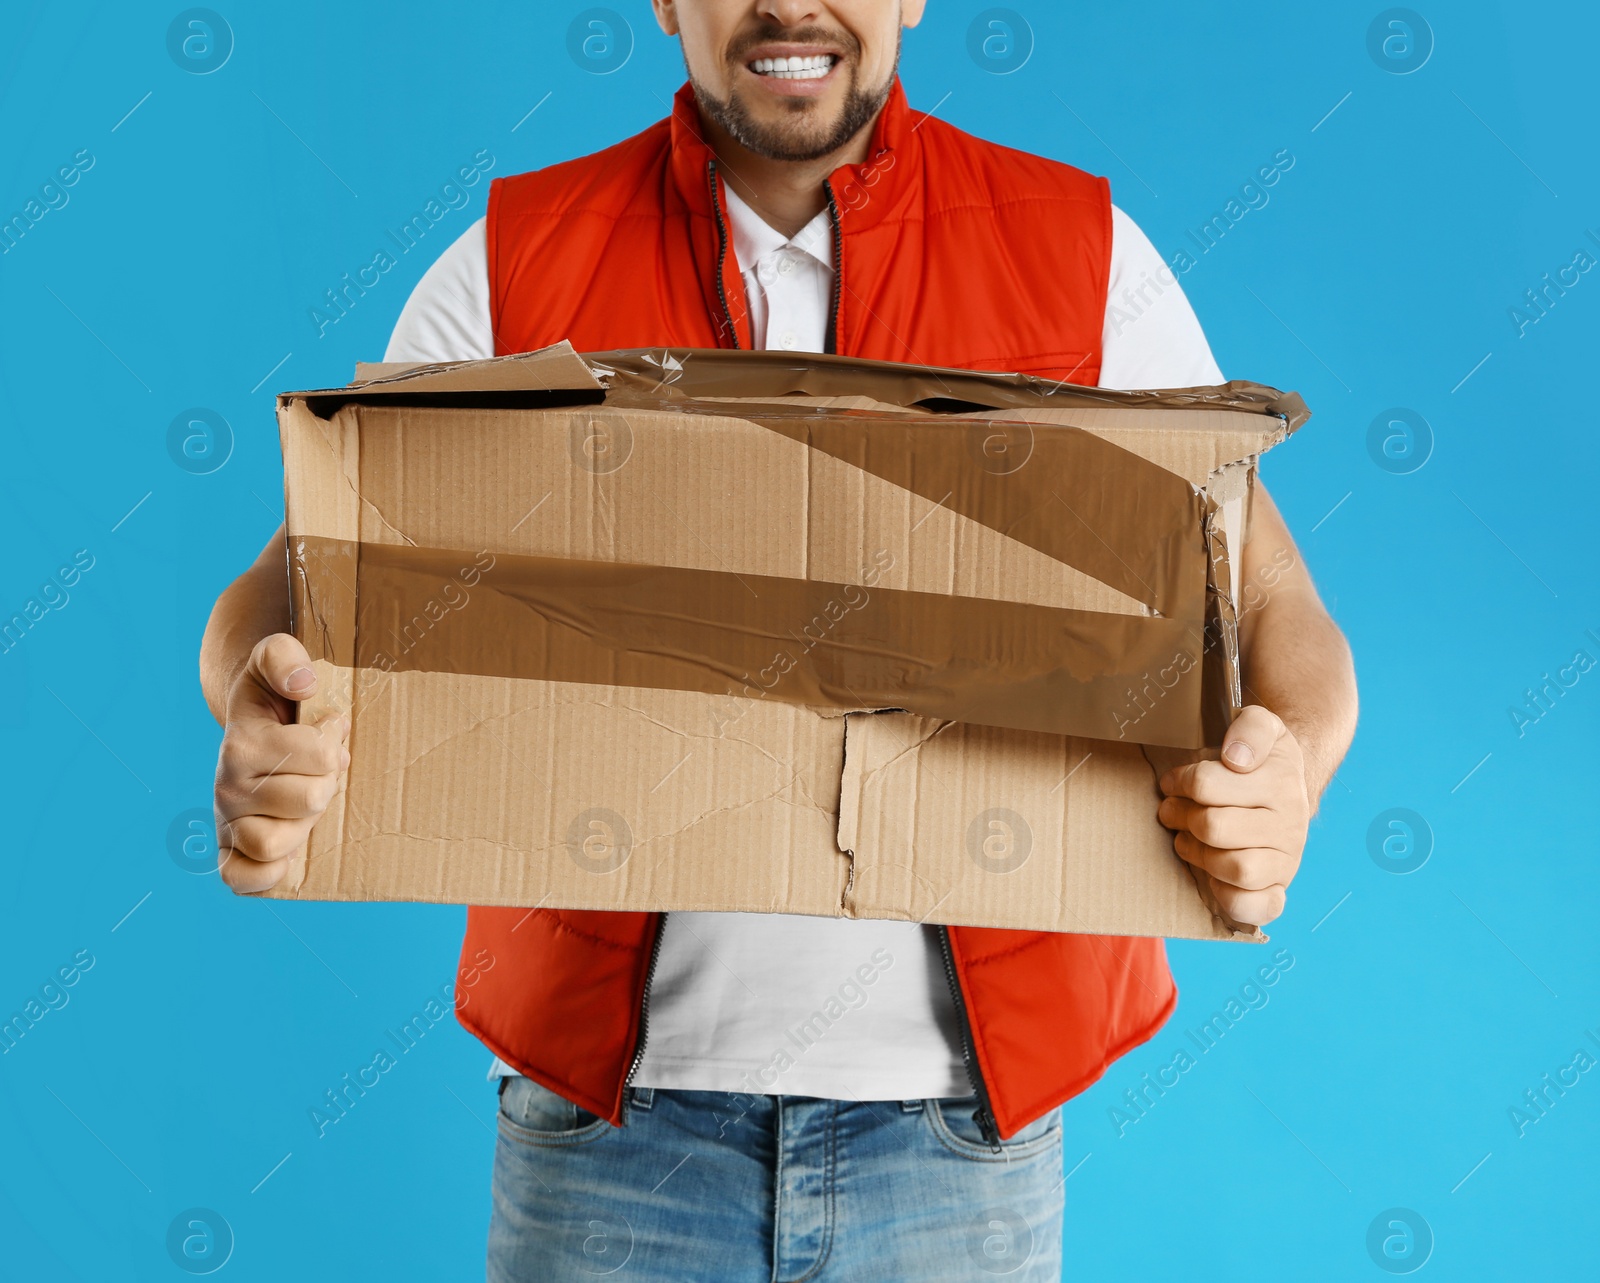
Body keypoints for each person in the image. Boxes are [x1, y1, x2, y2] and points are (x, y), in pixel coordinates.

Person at [199, 1, 1358, 1277]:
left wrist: (1284, 768)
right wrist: (261, 709)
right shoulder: (514, 258)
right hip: (605, 1135)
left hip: (955, 1144)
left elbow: (1273, 607)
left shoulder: (1079, 252)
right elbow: (299, 584)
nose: (790, 5)